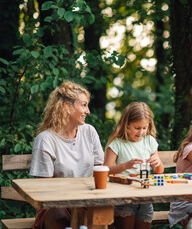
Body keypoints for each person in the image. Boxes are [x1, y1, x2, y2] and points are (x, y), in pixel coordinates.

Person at [29, 81, 104, 229]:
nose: (88, 111)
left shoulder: (89, 132)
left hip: (87, 201)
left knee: (102, 218)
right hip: (56, 205)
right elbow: (44, 191)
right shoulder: (45, 139)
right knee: (61, 220)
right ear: (66, 106)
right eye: (83, 105)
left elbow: (100, 172)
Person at [103, 102, 164, 229]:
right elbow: (106, 169)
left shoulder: (149, 141)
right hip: (124, 196)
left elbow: (159, 171)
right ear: (126, 125)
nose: (141, 132)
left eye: (144, 128)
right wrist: (126, 165)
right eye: (137, 128)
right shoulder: (117, 143)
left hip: (145, 196)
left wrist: (157, 163)